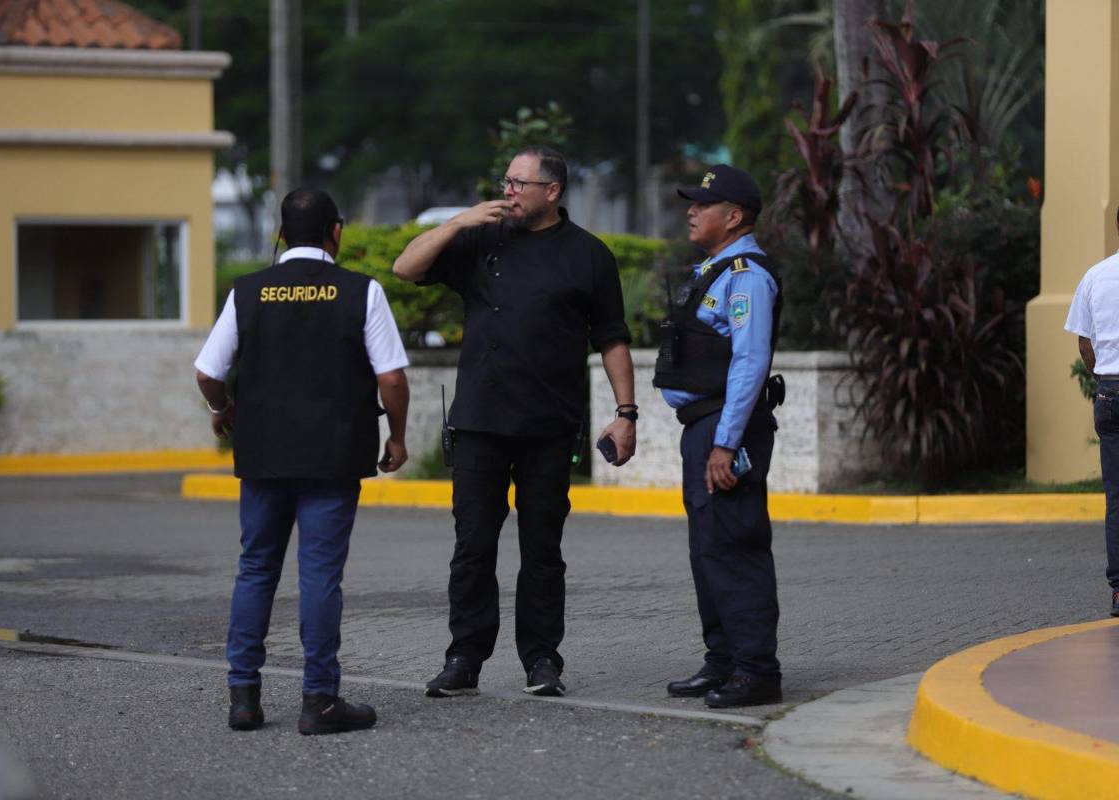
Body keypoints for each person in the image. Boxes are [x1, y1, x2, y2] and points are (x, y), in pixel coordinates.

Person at [392, 146, 636, 698]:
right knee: (473, 546)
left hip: (550, 424)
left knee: (542, 550)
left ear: (552, 191)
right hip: (479, 421)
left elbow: (613, 340)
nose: (507, 192)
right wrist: (457, 222)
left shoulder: (589, 255)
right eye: (505, 181)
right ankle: (464, 658)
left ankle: (542, 659)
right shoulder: (482, 239)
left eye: (519, 183)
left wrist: (626, 416)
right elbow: (405, 268)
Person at [194, 187, 410, 734]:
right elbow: (391, 378)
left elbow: (207, 373)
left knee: (256, 570)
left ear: (281, 235)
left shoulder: (248, 292)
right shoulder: (362, 291)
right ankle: (319, 702)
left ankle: (243, 699)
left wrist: (222, 409)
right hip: (333, 458)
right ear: (337, 231)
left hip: (264, 455)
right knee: (319, 577)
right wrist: (399, 438)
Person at [655, 165, 784, 708]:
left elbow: (750, 363)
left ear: (733, 217)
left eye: (702, 204)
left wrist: (726, 444)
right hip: (703, 427)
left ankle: (756, 671)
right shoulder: (715, 269)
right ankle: (723, 661)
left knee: (735, 547)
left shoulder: (746, 276)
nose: (690, 210)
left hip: (727, 428)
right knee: (708, 550)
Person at [1065, 207, 1119, 618]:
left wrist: (1104, 380)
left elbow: (1085, 346)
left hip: (1109, 393)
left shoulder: (1094, 277)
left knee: (1116, 499)